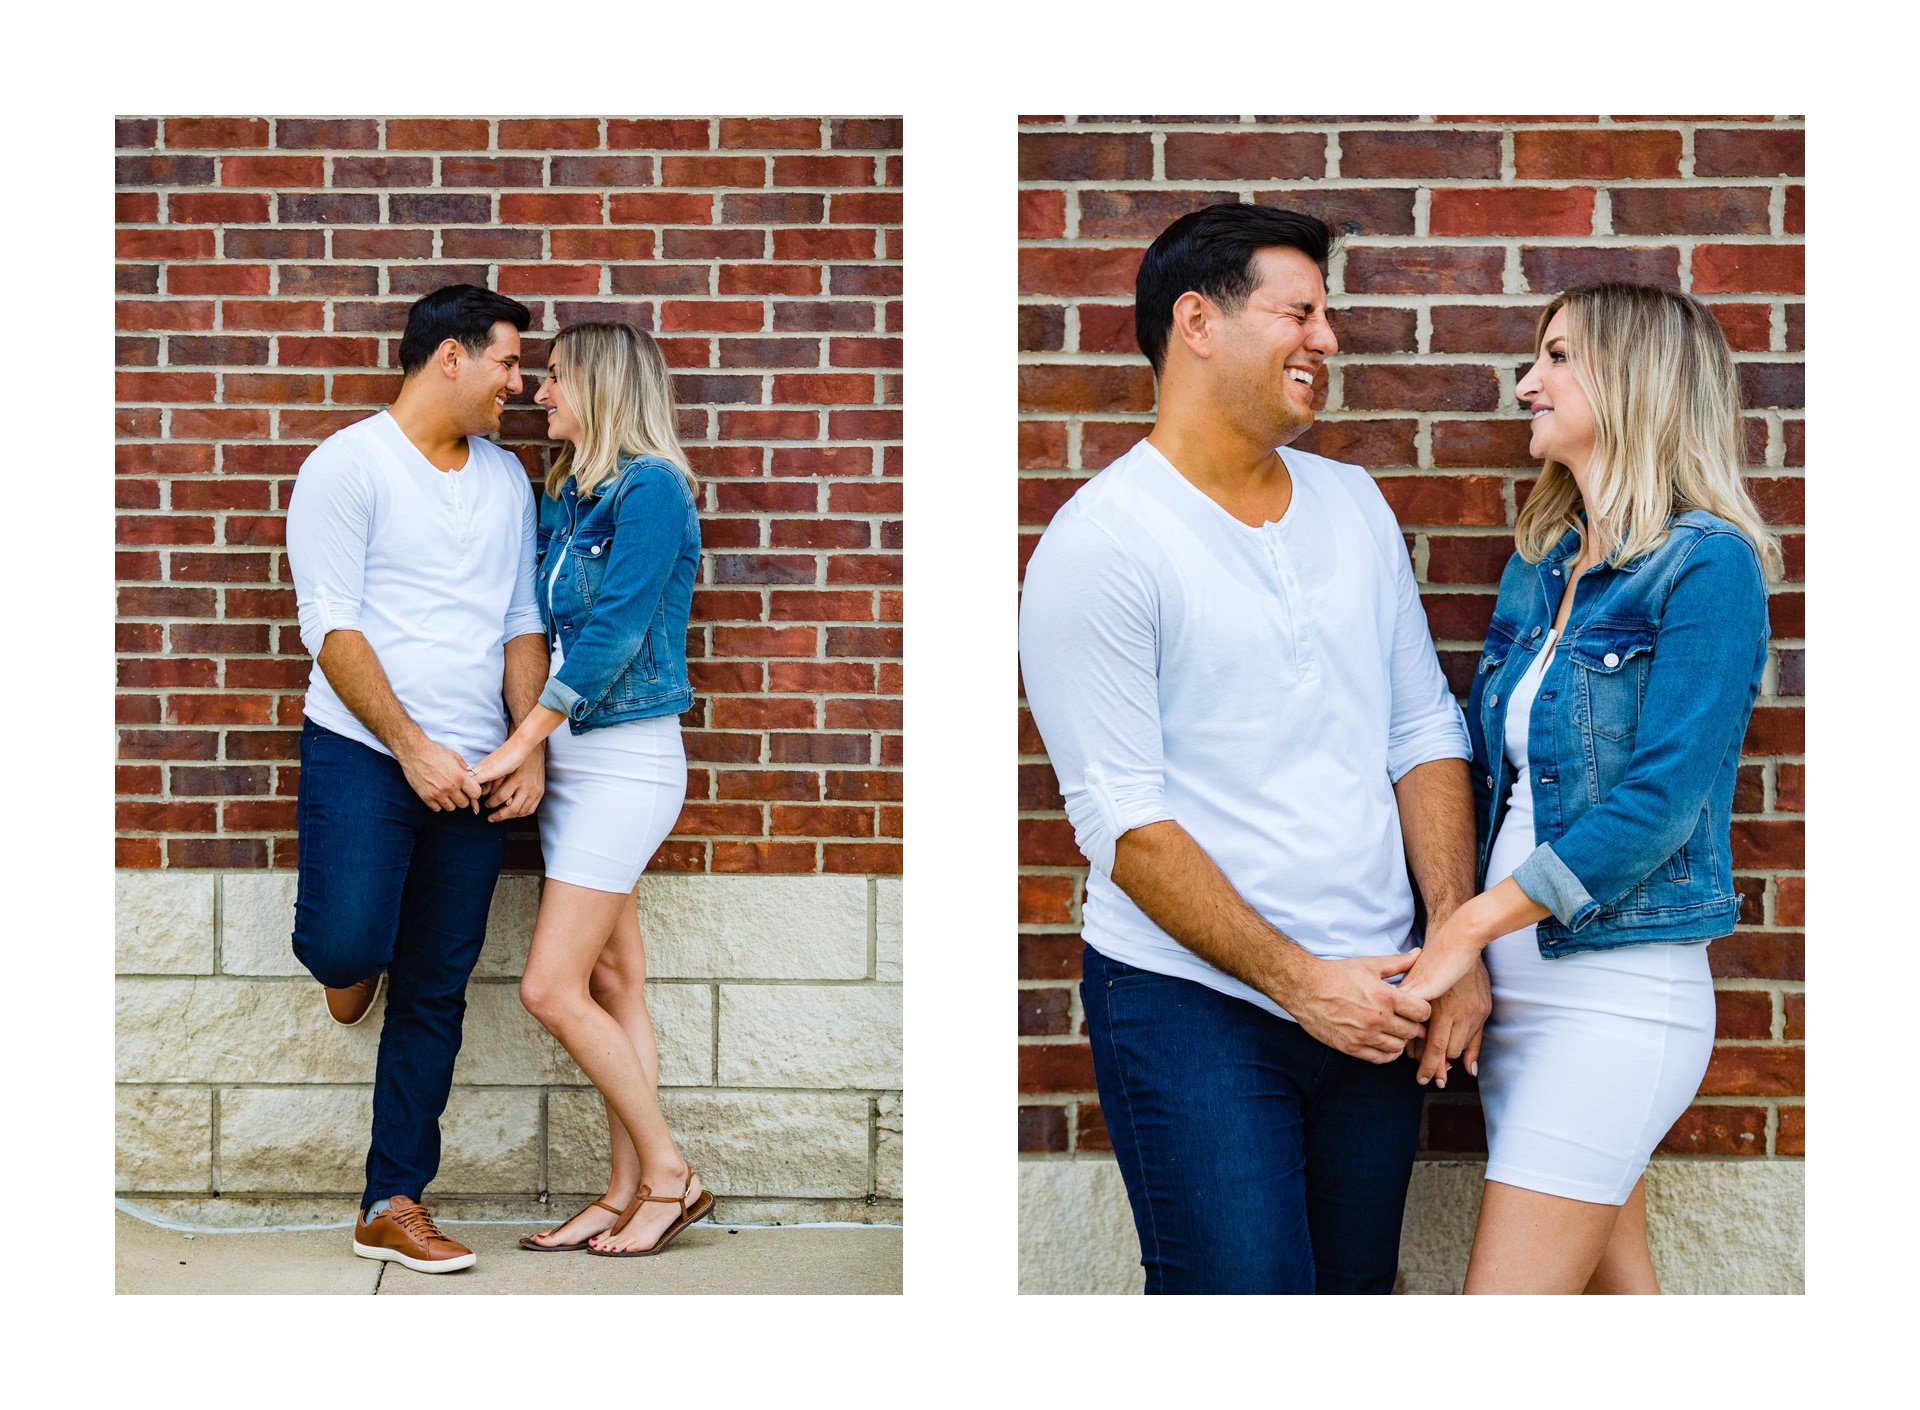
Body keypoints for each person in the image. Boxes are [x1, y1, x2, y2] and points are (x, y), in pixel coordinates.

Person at [1017, 203, 1486, 1294]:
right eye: (1301, 312)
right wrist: (1297, 983)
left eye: (1330, 317)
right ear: (1198, 321)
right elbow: (1123, 825)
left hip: (1378, 996)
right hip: (1195, 1007)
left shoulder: (1353, 502)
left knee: (1351, 1299)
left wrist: (1454, 940)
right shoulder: (1103, 543)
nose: (1328, 339)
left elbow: (1420, 730)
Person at [1400, 281, 1779, 1294]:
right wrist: (1474, 948)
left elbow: (1659, 804)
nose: (1529, 381)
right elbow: (1497, 780)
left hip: (1614, 995)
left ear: (1634, 378)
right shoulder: (1544, 563)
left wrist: (1466, 928)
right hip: (1517, 1000)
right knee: (1619, 1315)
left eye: (1558, 356)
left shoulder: (1709, 568)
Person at [285, 284, 546, 1274]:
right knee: (349, 939)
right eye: (508, 365)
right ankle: (358, 954)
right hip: (366, 753)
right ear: (451, 357)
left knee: (435, 987)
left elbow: (523, 620)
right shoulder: (347, 467)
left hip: (478, 769)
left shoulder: (507, 478)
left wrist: (527, 748)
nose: (517, 387)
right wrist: (409, 745)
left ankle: (390, 1201)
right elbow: (332, 629)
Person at [468, 321, 712, 1258]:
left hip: (625, 760)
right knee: (612, 979)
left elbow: (610, 638)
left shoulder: (653, 491)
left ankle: (670, 1172)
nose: (540, 394)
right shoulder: (568, 493)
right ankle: (621, 1194)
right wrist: (536, 747)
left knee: (549, 985)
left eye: (558, 378)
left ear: (604, 385)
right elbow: (538, 623)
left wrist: (518, 742)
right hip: (576, 765)